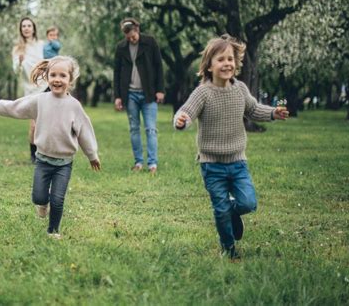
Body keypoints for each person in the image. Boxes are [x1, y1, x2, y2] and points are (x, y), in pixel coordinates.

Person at [173, 34, 289, 260]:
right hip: (211, 165)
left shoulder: (240, 90)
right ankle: (228, 249)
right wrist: (181, 120)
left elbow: (253, 110)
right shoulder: (203, 92)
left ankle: (233, 212)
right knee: (220, 209)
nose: (226, 63)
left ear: (236, 63)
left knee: (248, 202)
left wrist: (273, 113)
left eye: (230, 59)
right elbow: (186, 111)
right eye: (220, 59)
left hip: (237, 162)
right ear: (209, 65)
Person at [0, 56, 101, 238]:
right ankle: (42, 204)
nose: (57, 79)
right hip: (42, 160)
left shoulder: (74, 106)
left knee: (58, 200)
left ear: (70, 80)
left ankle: (53, 231)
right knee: (38, 197)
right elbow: (17, 107)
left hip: (64, 164)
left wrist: (92, 155)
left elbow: (85, 132)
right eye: (53, 75)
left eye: (62, 75)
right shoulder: (40, 100)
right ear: (47, 77)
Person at [113, 18, 165, 174]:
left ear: (137, 29)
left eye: (133, 35)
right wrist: (117, 96)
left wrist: (160, 89)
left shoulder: (150, 42)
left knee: (150, 129)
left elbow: (159, 66)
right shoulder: (121, 48)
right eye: (128, 37)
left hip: (148, 93)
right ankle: (138, 162)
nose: (131, 39)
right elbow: (117, 72)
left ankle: (152, 164)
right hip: (130, 95)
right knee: (134, 129)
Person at [12, 17, 47, 163]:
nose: (26, 28)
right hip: (30, 90)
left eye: (29, 26)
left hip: (45, 86)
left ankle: (45, 153)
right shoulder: (17, 49)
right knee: (34, 125)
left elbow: (50, 61)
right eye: (23, 26)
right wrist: (19, 62)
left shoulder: (41, 45)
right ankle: (34, 155)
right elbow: (16, 71)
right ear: (21, 29)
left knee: (45, 122)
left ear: (34, 28)